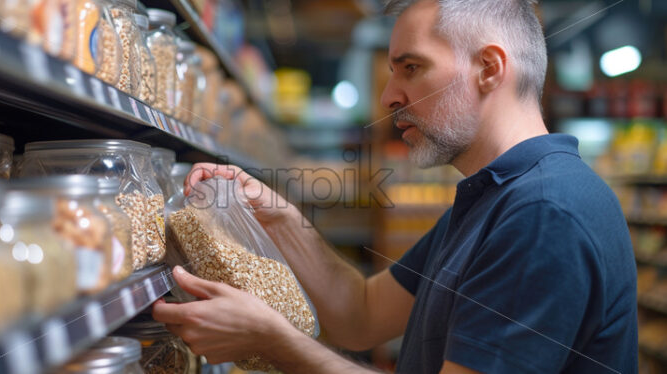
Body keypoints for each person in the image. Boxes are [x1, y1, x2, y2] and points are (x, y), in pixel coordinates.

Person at [152, 0, 638, 373]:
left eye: (412, 68)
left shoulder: (543, 213)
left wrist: (271, 340)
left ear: (489, 68)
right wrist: (282, 219)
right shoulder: (493, 196)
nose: (388, 97)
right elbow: (360, 315)